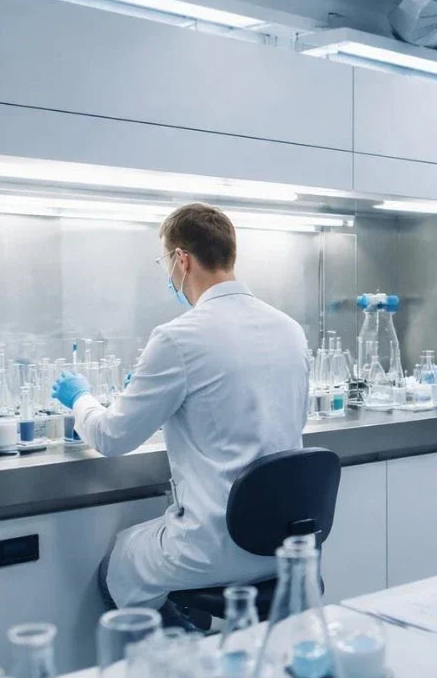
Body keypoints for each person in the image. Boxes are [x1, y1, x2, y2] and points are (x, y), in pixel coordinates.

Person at [52, 203, 309, 626]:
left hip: (213, 548)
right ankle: (201, 648)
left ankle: (180, 658)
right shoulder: (289, 328)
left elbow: (113, 437)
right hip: (286, 543)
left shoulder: (178, 337)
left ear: (181, 259)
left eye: (165, 262)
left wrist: (80, 398)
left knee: (120, 564)